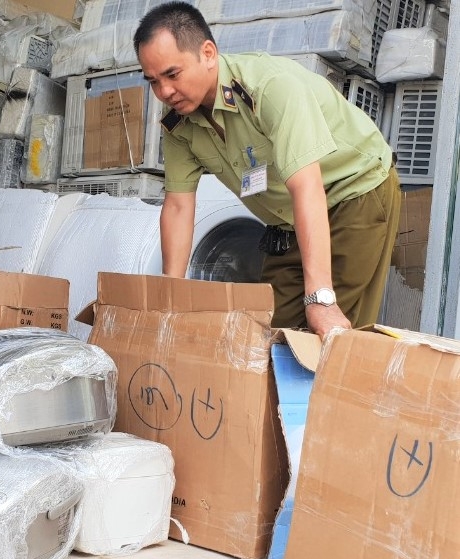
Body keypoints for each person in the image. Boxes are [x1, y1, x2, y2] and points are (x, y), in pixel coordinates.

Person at [133, 2, 401, 338]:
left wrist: (320, 299)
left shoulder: (269, 88)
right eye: (153, 81)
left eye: (172, 75)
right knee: (268, 334)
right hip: (288, 218)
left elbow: (306, 186)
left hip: (354, 191)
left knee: (330, 336)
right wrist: (169, 296)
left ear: (208, 53)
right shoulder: (178, 124)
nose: (164, 92)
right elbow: (177, 206)